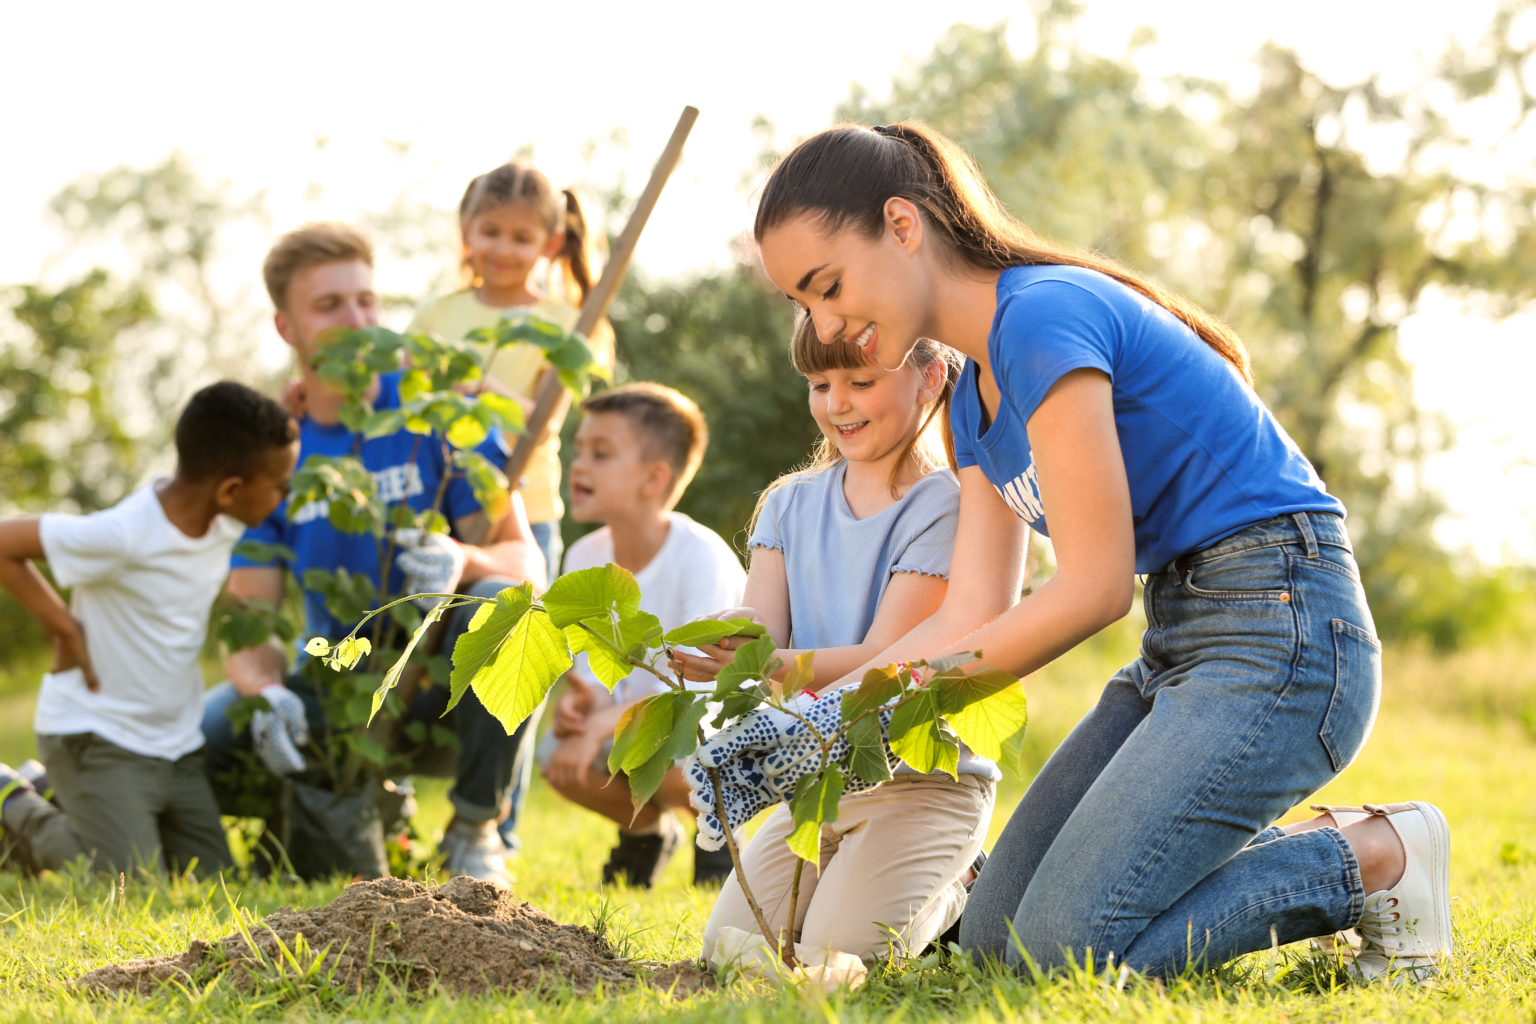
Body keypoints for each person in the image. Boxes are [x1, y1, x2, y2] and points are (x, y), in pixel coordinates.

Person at [728, 121, 1450, 984]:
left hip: (1285, 630)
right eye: (801, 306)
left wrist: (831, 714)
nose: (824, 321)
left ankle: (1375, 856)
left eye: (827, 285)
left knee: (1062, 953)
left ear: (904, 226)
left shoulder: (1041, 317)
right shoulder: (968, 407)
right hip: (1182, 638)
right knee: (996, 943)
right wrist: (820, 716)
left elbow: (1096, 587)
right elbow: (970, 617)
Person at [201, 222, 548, 886]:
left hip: (442, 691)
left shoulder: (439, 417)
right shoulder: (275, 458)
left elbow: (524, 563)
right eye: (330, 306)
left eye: (365, 300)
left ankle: (475, 829)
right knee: (214, 729)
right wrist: (266, 691)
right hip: (338, 692)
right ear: (286, 328)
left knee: (509, 612)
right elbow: (249, 621)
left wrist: (461, 560)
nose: (357, 320)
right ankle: (320, 818)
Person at [672, 316, 995, 964]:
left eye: (861, 379)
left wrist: (769, 664)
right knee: (733, 952)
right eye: (820, 383)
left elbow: (885, 658)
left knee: (837, 958)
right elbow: (760, 625)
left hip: (922, 783)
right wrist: (712, 649)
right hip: (821, 779)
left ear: (929, 378)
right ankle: (892, 885)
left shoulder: (943, 505)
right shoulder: (788, 504)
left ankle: (965, 889)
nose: (837, 402)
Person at [0, 381, 299, 877]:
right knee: (132, 884)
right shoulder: (124, 534)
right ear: (230, 489)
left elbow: (255, 450)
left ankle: (65, 795)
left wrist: (295, 405)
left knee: (214, 882)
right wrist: (66, 628)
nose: (285, 497)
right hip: (97, 735)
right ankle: (15, 804)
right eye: (280, 487)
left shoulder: (220, 517)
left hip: (175, 747)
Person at [408, 161, 617, 852]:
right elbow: (405, 401)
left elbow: (552, 417)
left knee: (519, 657)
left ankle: (498, 825)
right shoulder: (439, 314)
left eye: (520, 237)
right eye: (488, 232)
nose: (501, 248)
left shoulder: (567, 323)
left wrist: (478, 393)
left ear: (550, 244)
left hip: (528, 510)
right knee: (421, 651)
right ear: (465, 232)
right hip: (439, 508)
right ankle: (396, 799)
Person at [537, 382, 746, 887]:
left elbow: (697, 690)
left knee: (679, 757)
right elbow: (594, 670)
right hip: (634, 728)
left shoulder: (700, 555)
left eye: (601, 454)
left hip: (713, 731)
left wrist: (598, 728)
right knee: (555, 756)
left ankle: (720, 839)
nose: (579, 465)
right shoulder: (582, 556)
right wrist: (582, 706)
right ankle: (646, 833)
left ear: (655, 477)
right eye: (577, 449)